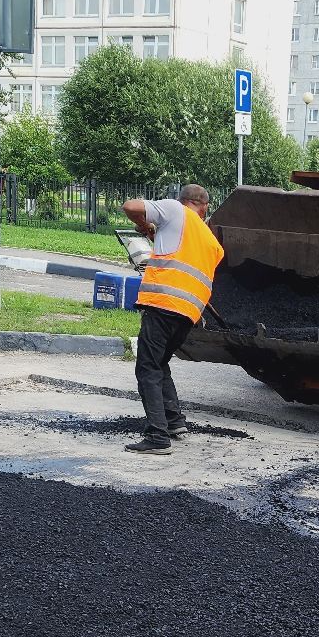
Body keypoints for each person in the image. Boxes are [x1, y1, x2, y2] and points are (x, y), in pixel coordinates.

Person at [120, 184, 224, 455]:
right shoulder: (210, 241)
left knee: (147, 367)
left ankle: (157, 435)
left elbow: (130, 207)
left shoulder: (175, 210)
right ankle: (174, 421)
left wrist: (144, 224)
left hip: (163, 304)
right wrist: (157, 233)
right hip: (189, 314)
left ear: (184, 200)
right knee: (160, 362)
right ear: (206, 207)